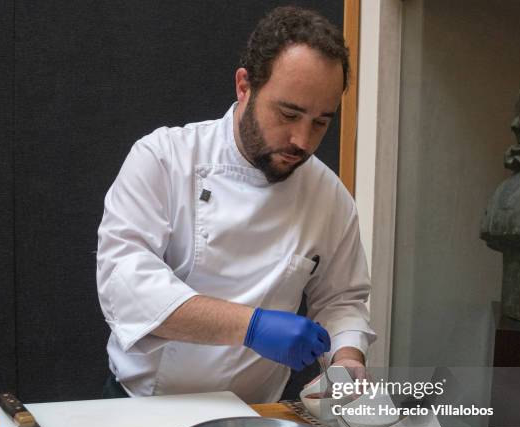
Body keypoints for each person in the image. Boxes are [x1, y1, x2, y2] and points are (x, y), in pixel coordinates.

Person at [97, 6, 376, 402]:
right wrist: (252, 327)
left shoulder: (329, 197)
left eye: (321, 122)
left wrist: (347, 360)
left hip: (257, 415)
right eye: (289, 113)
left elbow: (342, 299)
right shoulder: (163, 158)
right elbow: (125, 285)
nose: (302, 140)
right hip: (142, 406)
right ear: (244, 86)